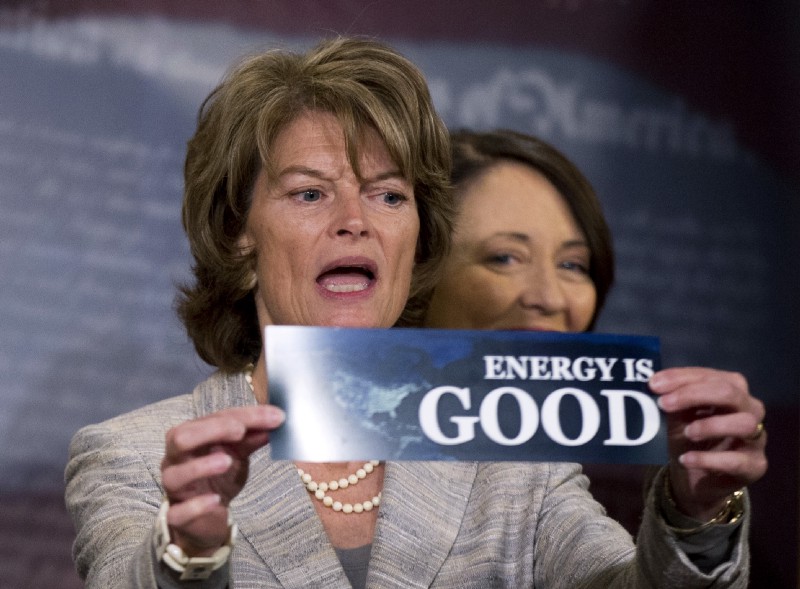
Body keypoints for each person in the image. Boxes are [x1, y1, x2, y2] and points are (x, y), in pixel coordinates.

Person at [64, 36, 761, 586]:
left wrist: (697, 514)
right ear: (238, 233)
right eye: (310, 193)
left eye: (388, 195)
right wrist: (187, 553)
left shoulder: (511, 461)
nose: (355, 221)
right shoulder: (132, 454)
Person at [423, 129, 768, 583]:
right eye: (505, 258)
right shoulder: (306, 420)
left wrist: (696, 512)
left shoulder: (536, 475)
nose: (549, 298)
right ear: (415, 269)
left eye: (572, 265)